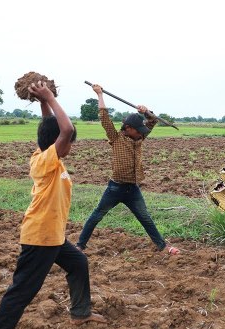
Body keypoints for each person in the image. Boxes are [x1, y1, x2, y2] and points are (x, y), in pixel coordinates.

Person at [0, 81, 106, 329]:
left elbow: (52, 128)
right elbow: (66, 130)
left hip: (53, 235)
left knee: (78, 263)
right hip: (40, 236)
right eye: (68, 144)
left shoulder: (49, 157)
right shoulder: (45, 160)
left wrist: (43, 102)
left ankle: (80, 313)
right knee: (23, 290)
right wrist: (50, 95)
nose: (71, 145)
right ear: (58, 145)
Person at [76, 84, 179, 255]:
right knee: (97, 215)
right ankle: (80, 245)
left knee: (145, 218)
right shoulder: (116, 138)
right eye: (140, 131)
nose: (143, 134)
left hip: (133, 189)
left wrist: (145, 111)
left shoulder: (139, 138)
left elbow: (152, 121)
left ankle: (162, 247)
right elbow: (104, 118)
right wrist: (100, 95)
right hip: (115, 188)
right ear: (129, 129)